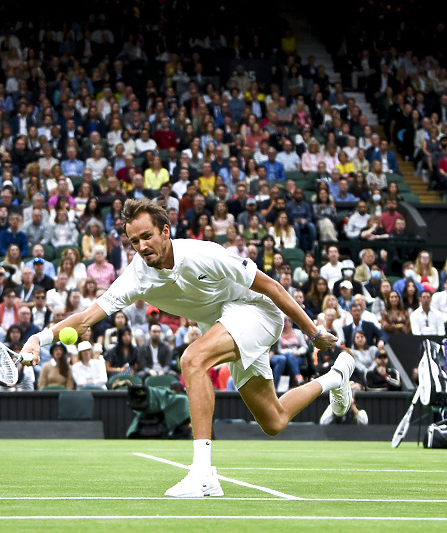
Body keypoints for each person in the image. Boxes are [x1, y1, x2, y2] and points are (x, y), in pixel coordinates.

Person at [19, 198, 346, 498]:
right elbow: (86, 318)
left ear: (165, 231)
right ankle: (337, 376)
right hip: (223, 325)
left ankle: (202, 474)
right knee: (273, 420)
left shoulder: (205, 254)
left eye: (147, 236)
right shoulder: (136, 277)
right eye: (134, 241)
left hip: (256, 313)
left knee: (193, 359)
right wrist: (38, 339)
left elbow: (272, 286)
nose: (142, 247)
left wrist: (313, 332)